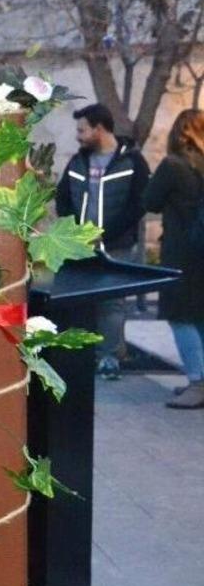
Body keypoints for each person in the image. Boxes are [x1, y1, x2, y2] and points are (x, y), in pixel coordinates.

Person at [55, 103, 150, 379]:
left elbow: (140, 203)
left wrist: (107, 233)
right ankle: (84, 355)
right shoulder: (77, 162)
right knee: (80, 301)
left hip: (116, 245)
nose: (78, 135)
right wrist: (75, 232)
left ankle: (109, 357)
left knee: (112, 302)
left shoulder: (132, 161)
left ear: (99, 128)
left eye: (82, 129)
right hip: (81, 245)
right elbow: (63, 198)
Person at [144, 109, 204, 408]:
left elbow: (149, 201)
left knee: (179, 317)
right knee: (200, 317)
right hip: (201, 252)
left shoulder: (172, 165)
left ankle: (197, 382)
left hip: (181, 252)